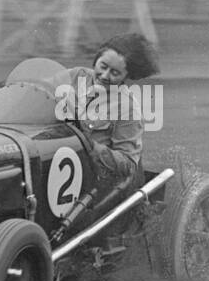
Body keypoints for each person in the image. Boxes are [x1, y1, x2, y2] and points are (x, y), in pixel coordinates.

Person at [52, 32, 159, 196]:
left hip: (97, 181)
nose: (105, 76)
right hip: (59, 162)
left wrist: (90, 147)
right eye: (103, 66)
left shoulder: (128, 108)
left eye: (115, 73)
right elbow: (41, 89)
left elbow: (129, 165)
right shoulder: (75, 75)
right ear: (96, 60)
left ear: (126, 76)